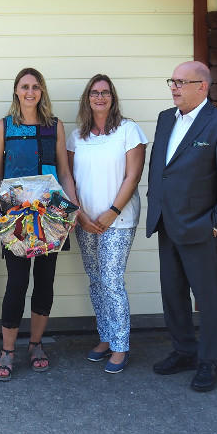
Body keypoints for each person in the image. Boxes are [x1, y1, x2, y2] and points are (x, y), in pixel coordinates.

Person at [146, 60, 217, 392]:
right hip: (166, 222)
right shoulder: (164, 119)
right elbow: (161, 165)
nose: (173, 87)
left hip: (200, 226)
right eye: (171, 80)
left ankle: (210, 360)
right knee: (172, 293)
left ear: (202, 87)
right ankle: (184, 351)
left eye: (181, 82)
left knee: (206, 297)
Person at [0, 68, 80, 381]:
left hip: (52, 215)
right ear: (16, 91)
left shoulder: (55, 126)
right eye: (24, 86)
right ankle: (7, 351)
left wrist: (72, 207)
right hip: (15, 216)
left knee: (45, 280)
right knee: (16, 283)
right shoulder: (3, 127)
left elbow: (65, 173)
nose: (30, 92)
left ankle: (36, 344)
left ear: (42, 91)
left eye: (36, 87)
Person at [67, 74, 147, 374]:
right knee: (96, 279)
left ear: (113, 98)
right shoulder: (78, 137)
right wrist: (79, 215)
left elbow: (133, 176)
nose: (100, 97)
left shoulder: (128, 130)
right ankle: (105, 337)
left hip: (119, 219)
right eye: (94, 93)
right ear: (87, 99)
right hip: (85, 221)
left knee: (112, 281)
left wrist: (113, 210)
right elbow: (70, 179)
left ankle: (120, 345)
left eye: (106, 92)